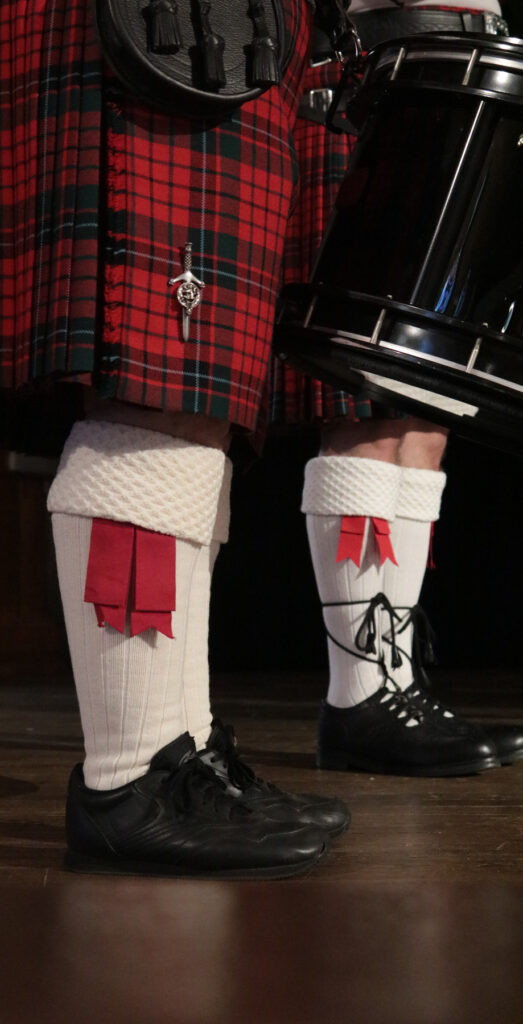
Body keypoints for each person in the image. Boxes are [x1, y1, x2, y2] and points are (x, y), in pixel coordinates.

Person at [0, 0, 349, 879]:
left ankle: (179, 752)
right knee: (157, 375)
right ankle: (126, 776)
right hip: (158, 22)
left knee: (200, 395)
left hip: (241, 30)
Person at [277, 0, 523, 774]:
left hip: (467, 62)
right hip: (386, 68)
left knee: (425, 416)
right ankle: (360, 695)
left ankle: (390, 684)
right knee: (371, 409)